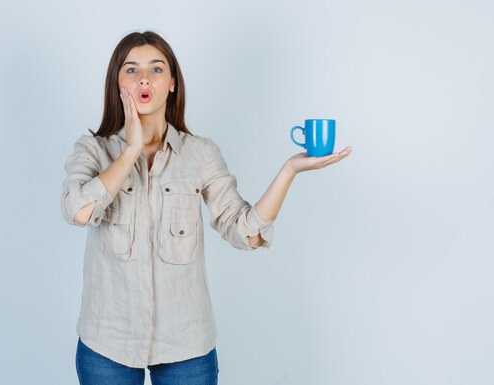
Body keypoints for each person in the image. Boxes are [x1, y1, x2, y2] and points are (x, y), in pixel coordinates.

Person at [60, 30, 352, 385]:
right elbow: (79, 210)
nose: (144, 78)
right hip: (107, 343)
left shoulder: (201, 153)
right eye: (131, 69)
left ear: (171, 83)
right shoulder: (93, 150)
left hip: (186, 344)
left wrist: (289, 170)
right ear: (117, 82)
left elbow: (244, 229)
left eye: (156, 68)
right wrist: (131, 150)